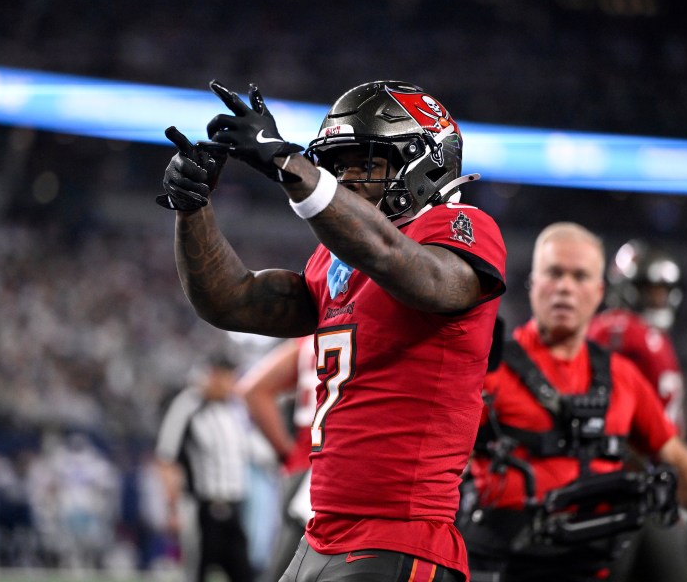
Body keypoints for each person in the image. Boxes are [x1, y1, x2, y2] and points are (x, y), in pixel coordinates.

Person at [158, 80, 507, 581]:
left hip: (399, 534)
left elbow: (416, 275)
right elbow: (231, 300)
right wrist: (191, 207)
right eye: (337, 165)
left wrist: (287, 163)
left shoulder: (459, 228)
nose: (346, 178)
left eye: (365, 162)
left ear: (424, 164)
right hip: (321, 531)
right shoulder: (333, 259)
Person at [460, 222, 687, 582]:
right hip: (507, 565)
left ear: (599, 291)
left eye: (580, 276)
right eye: (554, 273)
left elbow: (678, 460)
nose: (565, 287)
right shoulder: (488, 369)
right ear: (532, 282)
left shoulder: (623, 376)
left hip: (597, 565)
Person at [587, 240, 687, 582]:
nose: (658, 299)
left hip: (652, 478)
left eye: (663, 290)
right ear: (628, 287)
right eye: (650, 289)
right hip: (630, 479)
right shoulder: (620, 330)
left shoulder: (645, 334)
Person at [155, 351, 255, 582]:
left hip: (235, 505)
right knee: (196, 572)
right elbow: (166, 456)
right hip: (202, 508)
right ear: (212, 375)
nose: (231, 384)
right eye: (226, 377)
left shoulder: (234, 410)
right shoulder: (188, 405)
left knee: (244, 572)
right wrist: (172, 507)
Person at [236, 337, 318, 582]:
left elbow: (253, 390)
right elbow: (252, 391)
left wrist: (289, 454)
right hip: (328, 469)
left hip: (304, 468)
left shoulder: (308, 343)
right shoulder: (366, 326)